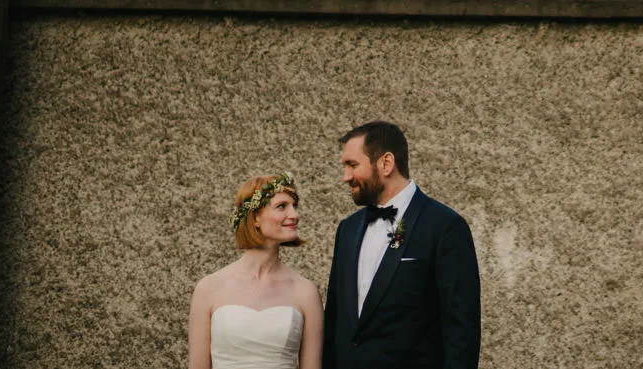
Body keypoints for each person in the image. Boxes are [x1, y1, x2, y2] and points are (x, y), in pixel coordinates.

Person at [323, 122, 480, 369]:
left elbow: (462, 332)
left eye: (353, 165)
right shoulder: (347, 229)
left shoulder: (445, 227)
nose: (346, 177)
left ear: (386, 163)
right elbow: (334, 320)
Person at [189, 173, 325, 369]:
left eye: (294, 206)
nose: (295, 215)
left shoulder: (306, 292)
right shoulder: (209, 288)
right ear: (255, 218)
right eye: (282, 206)